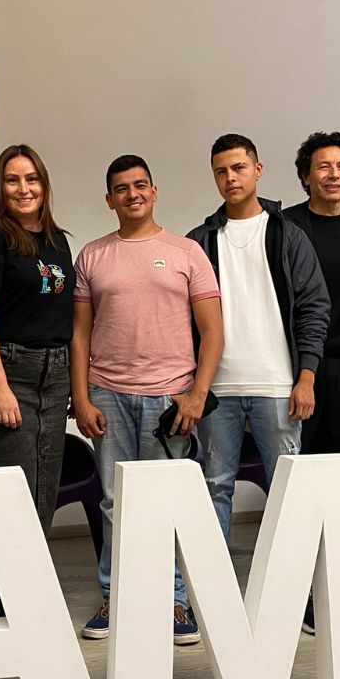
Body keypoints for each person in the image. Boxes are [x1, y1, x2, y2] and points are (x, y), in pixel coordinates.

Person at [71, 155, 223, 646]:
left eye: (140, 185)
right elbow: (79, 334)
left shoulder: (185, 252)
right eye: (121, 188)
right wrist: (81, 396)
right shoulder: (92, 255)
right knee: (115, 504)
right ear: (109, 198)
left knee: (167, 504)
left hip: (169, 400)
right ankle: (115, 597)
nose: (132, 194)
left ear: (154, 191)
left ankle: (175, 601)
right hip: (107, 394)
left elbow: (212, 330)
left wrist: (196, 394)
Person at [186, 134, 330, 546]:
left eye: (239, 168)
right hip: (218, 389)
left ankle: (295, 592)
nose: (231, 178)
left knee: (288, 491)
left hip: (277, 387)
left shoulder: (289, 234)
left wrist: (306, 377)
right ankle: (213, 596)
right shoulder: (200, 240)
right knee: (215, 487)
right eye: (221, 171)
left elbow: (314, 308)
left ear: (257, 170)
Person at [0, 144, 73, 609]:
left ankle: (25, 592)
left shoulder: (58, 240)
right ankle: (5, 596)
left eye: (31, 179)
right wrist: (0, 387)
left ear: (44, 184)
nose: (23, 188)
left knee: (45, 489)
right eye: (12, 180)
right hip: (10, 370)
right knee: (11, 490)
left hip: (55, 373)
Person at [282, 132, 340, 633]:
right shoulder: (288, 224)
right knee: (301, 478)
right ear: (305, 174)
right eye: (323, 167)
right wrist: (300, 373)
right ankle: (297, 593)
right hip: (299, 368)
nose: (333, 174)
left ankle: (335, 584)